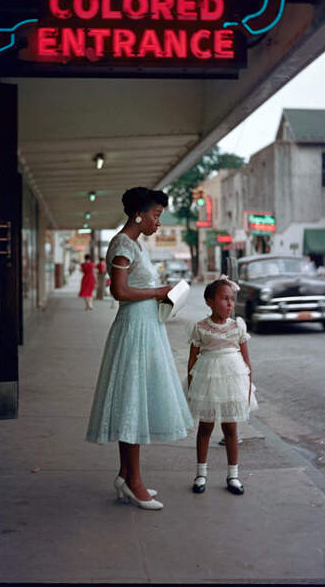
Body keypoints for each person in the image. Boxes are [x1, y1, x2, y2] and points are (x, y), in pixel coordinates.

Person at [86, 187, 193, 510]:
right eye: (156, 215)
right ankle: (134, 481)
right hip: (134, 328)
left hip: (147, 326)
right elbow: (118, 292)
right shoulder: (122, 244)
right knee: (132, 401)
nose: (158, 222)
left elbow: (135, 286)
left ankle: (125, 475)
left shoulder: (135, 245)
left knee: (137, 400)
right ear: (139, 214)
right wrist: (159, 290)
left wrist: (162, 294)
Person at [186, 276, 256, 496]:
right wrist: (191, 388)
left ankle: (233, 475)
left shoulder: (237, 327)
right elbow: (192, 360)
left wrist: (247, 388)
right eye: (224, 299)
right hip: (207, 381)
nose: (229, 304)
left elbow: (246, 362)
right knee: (205, 427)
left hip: (232, 381)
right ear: (210, 301)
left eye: (232, 299)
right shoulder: (200, 328)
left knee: (230, 428)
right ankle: (200, 473)